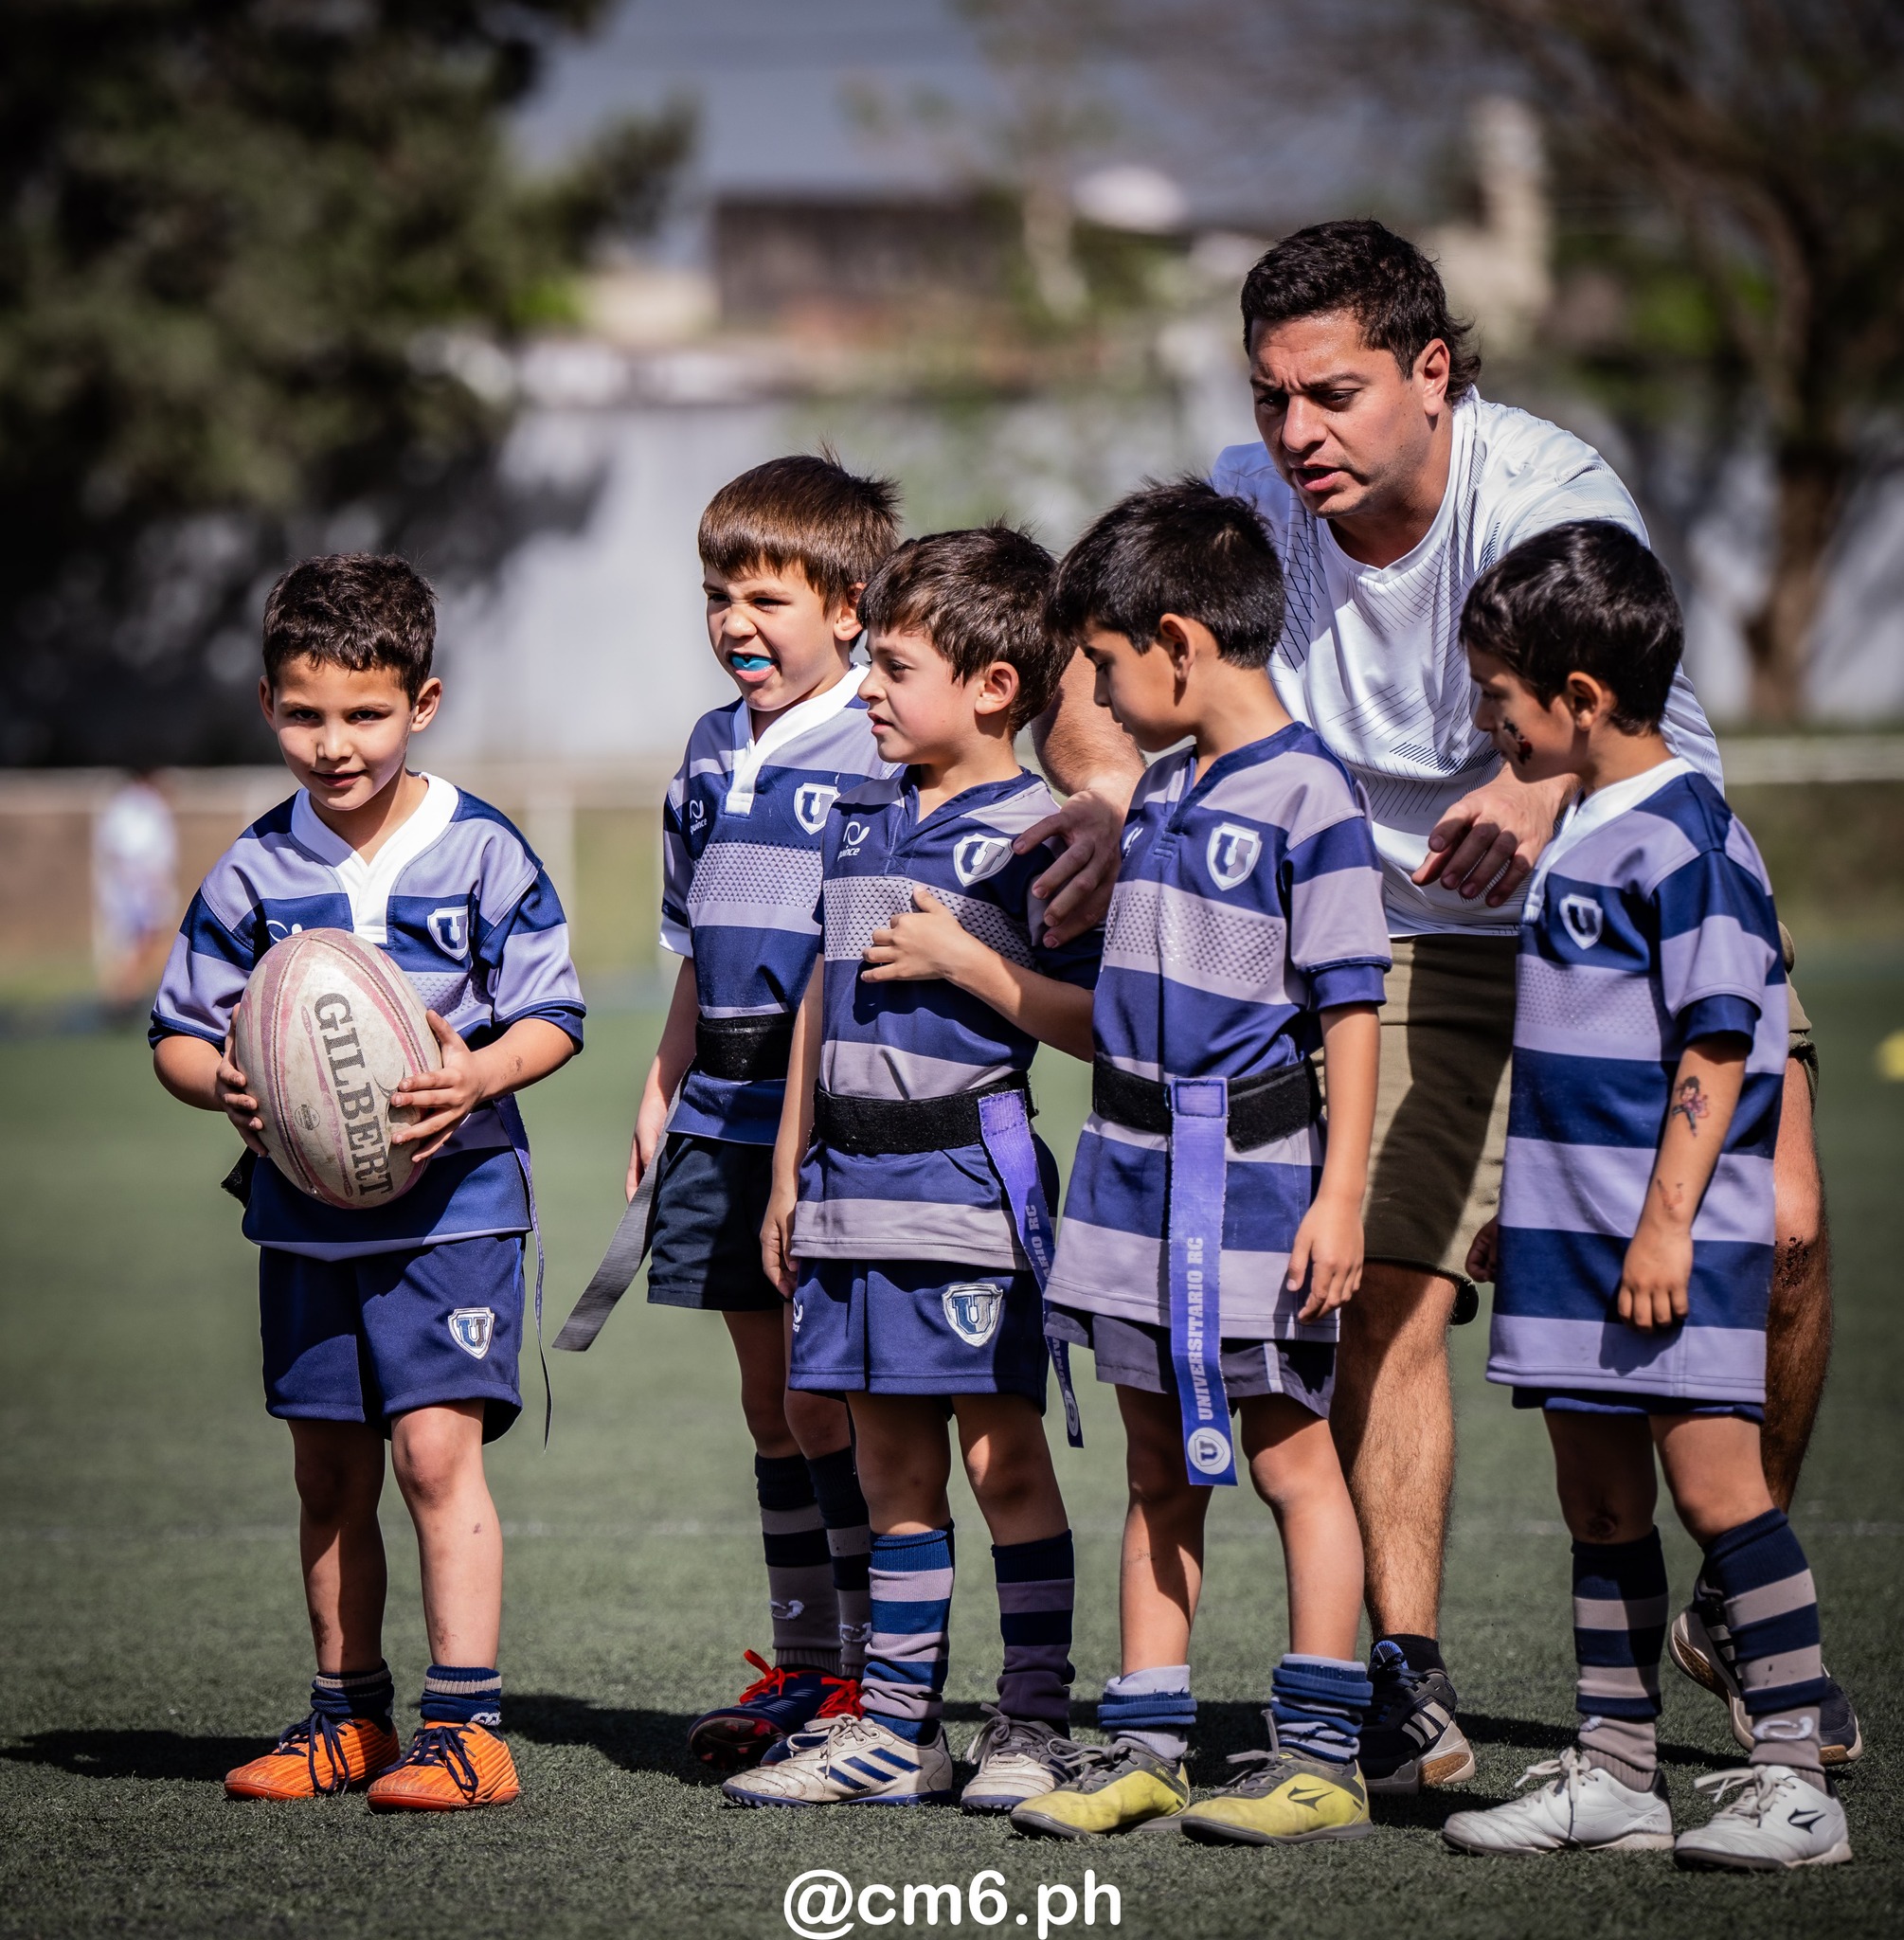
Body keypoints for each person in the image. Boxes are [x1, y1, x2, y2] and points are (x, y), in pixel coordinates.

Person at [1018, 218, 1849, 1784]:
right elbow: (1098, 674)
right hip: (1389, 925)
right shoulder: (1247, 499)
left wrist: (1544, 792)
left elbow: (1635, 736)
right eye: (1273, 397)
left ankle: (1742, 1582)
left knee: (1787, 1229)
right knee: (1387, 1283)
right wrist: (1113, 790)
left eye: (1331, 393)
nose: (1296, 432)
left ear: (1434, 369)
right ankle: (1405, 1677)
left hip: (1635, 889)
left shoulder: (1551, 495)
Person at [1440, 522, 1849, 1869]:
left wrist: (1667, 1219)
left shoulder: (1687, 836)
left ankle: (1794, 1777)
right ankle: (1613, 1769)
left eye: (1498, 698)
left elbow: (1718, 1040)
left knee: (1716, 1491)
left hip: (1662, 1241)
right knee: (1597, 1504)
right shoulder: (1580, 824)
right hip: (1568, 1239)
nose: (1485, 720)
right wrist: (1524, 1200)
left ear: (1580, 700)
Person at [150, 554, 584, 1810]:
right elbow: (181, 1030)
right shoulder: (253, 868)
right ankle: (347, 1720)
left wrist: (478, 1076)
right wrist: (223, 1084)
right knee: (326, 1467)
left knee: (433, 1456)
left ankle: (468, 1729)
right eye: (304, 714)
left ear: (423, 702)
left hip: (457, 1206)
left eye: (364, 714)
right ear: (269, 707)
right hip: (303, 1212)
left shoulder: (484, 850)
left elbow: (552, 1014)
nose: (333, 743)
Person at [1009, 482, 1388, 1845]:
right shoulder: (1159, 792)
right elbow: (1115, 1011)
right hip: (1124, 1181)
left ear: (1175, 642)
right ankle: (1149, 1744)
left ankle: (1321, 1755)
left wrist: (1339, 1195)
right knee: (1153, 1465)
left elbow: (1352, 1007)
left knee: (1289, 1458)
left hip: (1256, 1192)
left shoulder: (1309, 798)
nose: (1096, 700)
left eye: (1102, 667)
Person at [729, 525, 1101, 1812]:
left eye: (891, 668)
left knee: (1000, 1462)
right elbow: (817, 1015)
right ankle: (899, 1733)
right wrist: (787, 1177)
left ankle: (1034, 1719)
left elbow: (1097, 1026)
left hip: (963, 1193)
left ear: (993, 687)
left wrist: (972, 966)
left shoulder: (1042, 836)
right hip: (843, 1196)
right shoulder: (859, 820)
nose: (868, 692)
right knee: (889, 1472)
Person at [629, 455, 896, 1769]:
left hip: (823, 1126)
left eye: (764, 596)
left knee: (827, 1402)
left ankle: (866, 1681)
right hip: (718, 1117)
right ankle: (801, 1670)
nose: (734, 621)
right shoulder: (703, 745)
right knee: (767, 1404)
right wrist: (660, 1084)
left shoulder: (877, 738)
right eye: (715, 594)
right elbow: (690, 940)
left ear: (848, 605)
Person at [94, 767, 178, 1016]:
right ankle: (123, 996)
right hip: (137, 887)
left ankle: (128, 994)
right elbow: (130, 850)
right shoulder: (138, 806)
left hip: (137, 885)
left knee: (149, 940)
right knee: (140, 941)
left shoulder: (137, 805)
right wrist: (147, 884)